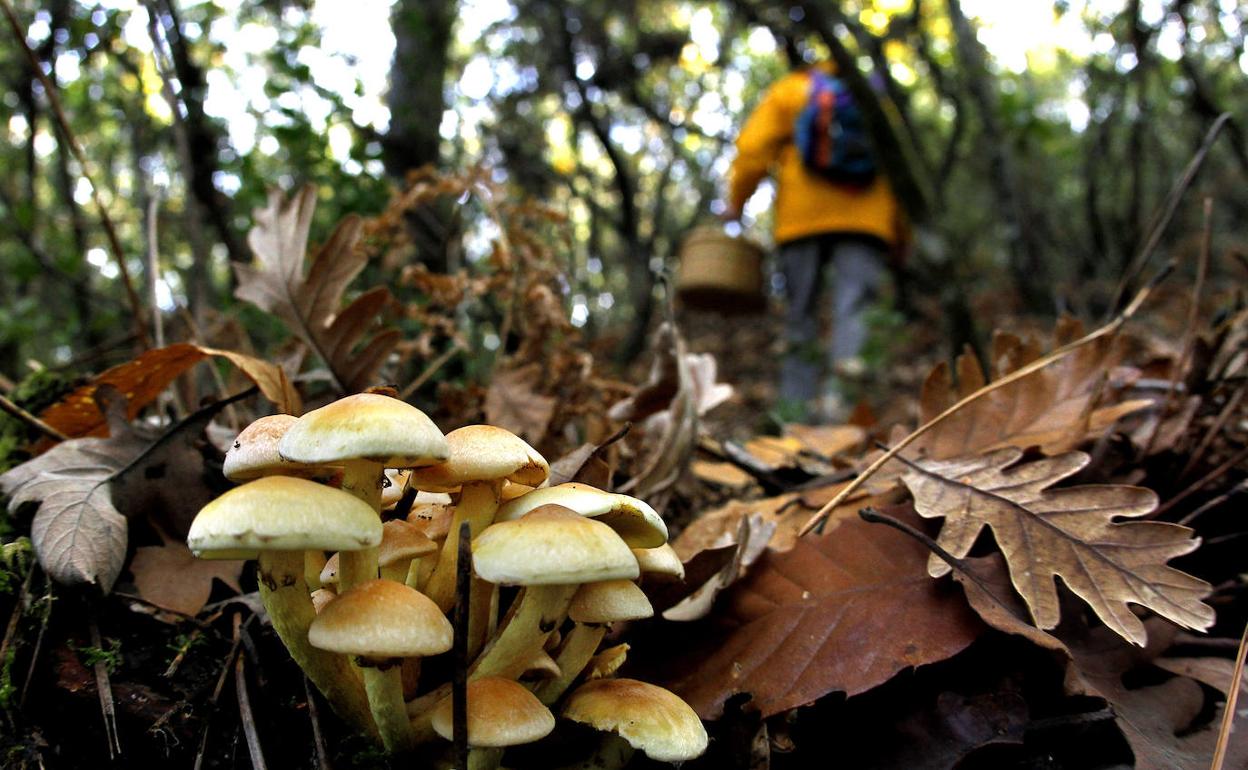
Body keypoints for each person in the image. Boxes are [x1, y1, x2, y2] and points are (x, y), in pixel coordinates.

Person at [723, 61, 907, 423]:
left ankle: (794, 417)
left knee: (800, 316)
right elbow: (899, 165)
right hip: (867, 219)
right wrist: (901, 232)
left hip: (800, 220)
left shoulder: (792, 89)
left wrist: (737, 200)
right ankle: (844, 416)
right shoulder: (874, 97)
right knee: (855, 311)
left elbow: (754, 148)